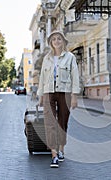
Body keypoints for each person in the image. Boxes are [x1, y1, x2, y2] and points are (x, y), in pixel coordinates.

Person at [37, 30, 80, 168]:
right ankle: (54, 155)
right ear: (51, 42)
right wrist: (41, 95)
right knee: (50, 123)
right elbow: (42, 78)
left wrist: (74, 95)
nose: (56, 41)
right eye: (54, 39)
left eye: (59, 39)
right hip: (49, 92)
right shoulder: (47, 58)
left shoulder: (70, 57)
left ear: (63, 42)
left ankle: (61, 150)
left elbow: (75, 76)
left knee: (62, 122)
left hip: (65, 92)